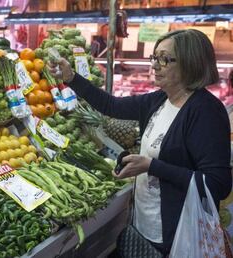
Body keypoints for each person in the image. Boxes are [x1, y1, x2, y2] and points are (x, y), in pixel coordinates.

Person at [49, 29, 232, 256]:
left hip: (178, 234)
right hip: (145, 223)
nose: (155, 65)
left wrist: (151, 166)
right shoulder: (160, 99)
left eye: (164, 59)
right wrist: (71, 78)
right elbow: (111, 106)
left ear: (190, 62)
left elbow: (218, 184)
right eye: (154, 58)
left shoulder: (205, 111)